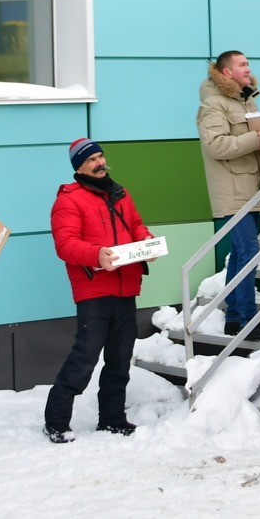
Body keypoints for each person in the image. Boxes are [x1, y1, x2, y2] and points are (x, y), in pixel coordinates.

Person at [44, 138, 155, 442]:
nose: (99, 162)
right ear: (78, 166)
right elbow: (65, 244)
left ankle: (112, 418)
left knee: (120, 361)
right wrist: (97, 255)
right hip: (94, 291)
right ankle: (56, 420)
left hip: (126, 288)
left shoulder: (121, 193)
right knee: (84, 359)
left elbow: (136, 226)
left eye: (100, 156)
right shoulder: (69, 199)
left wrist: (147, 243)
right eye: (91, 159)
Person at [198, 52, 260, 342]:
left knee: (241, 255)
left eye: (248, 64)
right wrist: (256, 139)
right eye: (242, 64)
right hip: (232, 193)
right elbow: (216, 146)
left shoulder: (248, 102)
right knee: (247, 253)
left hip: (253, 190)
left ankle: (233, 317)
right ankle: (248, 320)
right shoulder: (212, 105)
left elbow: (246, 144)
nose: (248, 69)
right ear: (227, 72)